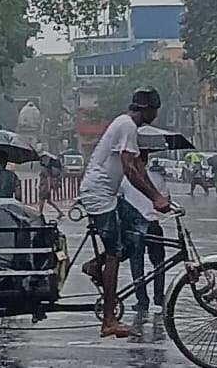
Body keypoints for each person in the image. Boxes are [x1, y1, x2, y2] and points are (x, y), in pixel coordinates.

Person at [77, 87, 171, 339]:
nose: (156, 115)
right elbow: (130, 170)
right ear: (147, 109)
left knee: (137, 234)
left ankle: (95, 267)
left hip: (110, 194)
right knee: (115, 252)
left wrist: (158, 198)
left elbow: (138, 166)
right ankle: (109, 320)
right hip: (98, 195)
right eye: (155, 111)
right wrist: (155, 197)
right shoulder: (127, 125)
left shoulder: (129, 127)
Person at [121, 154, 171, 314]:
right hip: (153, 224)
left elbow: (119, 199)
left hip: (134, 227)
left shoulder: (125, 177)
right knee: (159, 264)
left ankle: (142, 301)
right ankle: (159, 297)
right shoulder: (158, 177)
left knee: (137, 265)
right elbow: (165, 200)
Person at [37, 154, 64, 218]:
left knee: (41, 201)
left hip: (44, 187)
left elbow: (48, 178)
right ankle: (60, 212)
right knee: (49, 201)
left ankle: (40, 214)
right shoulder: (47, 169)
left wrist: (48, 188)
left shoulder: (44, 169)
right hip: (45, 186)